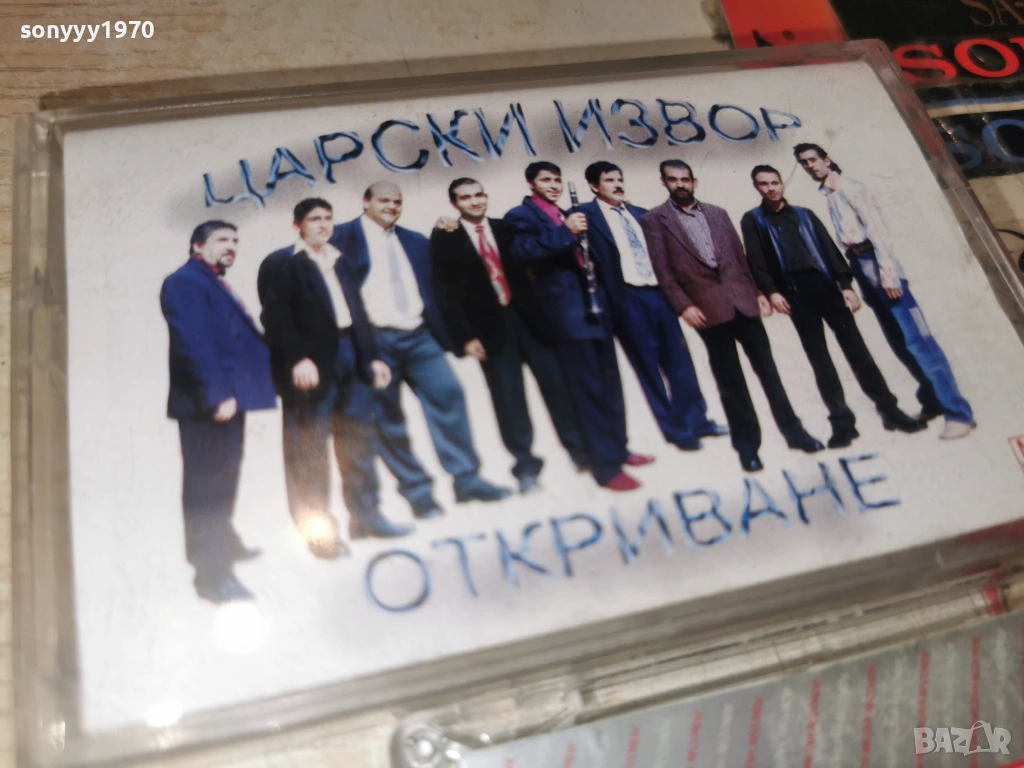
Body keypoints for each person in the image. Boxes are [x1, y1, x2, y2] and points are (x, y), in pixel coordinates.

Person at [331, 182, 510, 518]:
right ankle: (418, 493)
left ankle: (467, 480)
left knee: (448, 393)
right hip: (373, 341)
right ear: (366, 202)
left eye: (397, 201)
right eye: (384, 200)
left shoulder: (415, 241)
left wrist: (461, 336)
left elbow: (443, 287)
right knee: (387, 417)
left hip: (418, 336)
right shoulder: (340, 237)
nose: (392, 206)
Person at [641, 160, 824, 472]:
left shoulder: (718, 213)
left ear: (695, 182)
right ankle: (747, 448)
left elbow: (740, 258)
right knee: (731, 383)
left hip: (744, 303)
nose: (681, 184)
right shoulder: (655, 220)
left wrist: (759, 292)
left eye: (685, 179)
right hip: (707, 311)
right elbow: (663, 271)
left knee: (769, 373)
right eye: (673, 179)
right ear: (664, 182)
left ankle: (796, 434)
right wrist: (683, 306)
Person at [259, 198, 411, 561]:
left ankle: (367, 518)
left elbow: (358, 313)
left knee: (358, 441)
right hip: (310, 366)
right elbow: (276, 318)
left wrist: (371, 357)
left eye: (328, 218)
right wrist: (298, 359)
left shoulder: (340, 260)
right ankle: (319, 535)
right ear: (298, 225)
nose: (323, 225)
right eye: (315, 219)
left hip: (350, 357)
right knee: (309, 451)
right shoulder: (280, 263)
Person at [794, 143, 975, 440]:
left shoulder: (851, 188)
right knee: (897, 340)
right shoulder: (830, 194)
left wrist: (889, 275)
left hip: (878, 263)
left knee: (918, 341)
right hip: (859, 265)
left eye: (813, 159)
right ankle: (932, 400)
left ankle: (958, 413)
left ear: (827, 160)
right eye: (803, 162)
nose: (809, 166)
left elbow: (878, 231)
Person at [740, 165, 924, 448]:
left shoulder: (804, 214)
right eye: (764, 184)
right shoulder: (753, 220)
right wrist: (772, 292)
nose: (771, 188)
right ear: (757, 187)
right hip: (795, 294)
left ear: (782, 183)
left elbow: (828, 249)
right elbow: (756, 260)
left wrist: (846, 285)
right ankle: (843, 425)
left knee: (858, 352)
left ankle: (890, 411)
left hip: (826, 288)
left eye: (775, 182)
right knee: (820, 360)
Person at [430, 178, 590, 493]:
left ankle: (581, 453)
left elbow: (537, 250)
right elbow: (444, 292)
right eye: (466, 198)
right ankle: (526, 467)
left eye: (479, 194)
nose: (475, 201)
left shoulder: (505, 228)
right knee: (508, 399)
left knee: (558, 388)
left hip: (530, 321)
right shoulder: (447, 237)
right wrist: (465, 337)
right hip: (490, 329)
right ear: (454, 203)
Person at [504, 161, 655, 491]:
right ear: (531, 184)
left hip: (596, 308)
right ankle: (605, 467)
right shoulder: (520, 215)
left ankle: (619, 449)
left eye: (557, 179)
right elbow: (522, 252)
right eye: (546, 180)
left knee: (610, 384)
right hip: (566, 315)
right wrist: (566, 232)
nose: (554, 185)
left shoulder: (568, 211)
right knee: (587, 390)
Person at [161, 221, 276, 603]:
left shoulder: (210, 281)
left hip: (229, 400)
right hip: (210, 405)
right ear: (197, 246)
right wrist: (219, 395)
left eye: (235, 240)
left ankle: (223, 544)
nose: (231, 246)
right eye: (222, 240)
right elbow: (194, 344)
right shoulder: (184, 282)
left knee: (223, 482)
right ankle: (212, 576)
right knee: (207, 490)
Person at [579, 160, 728, 451]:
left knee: (679, 361)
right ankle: (676, 431)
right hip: (626, 298)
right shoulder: (584, 214)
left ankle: (698, 421)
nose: (617, 185)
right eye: (609, 180)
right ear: (594, 186)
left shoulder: (641, 214)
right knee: (648, 367)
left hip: (658, 294)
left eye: (620, 179)